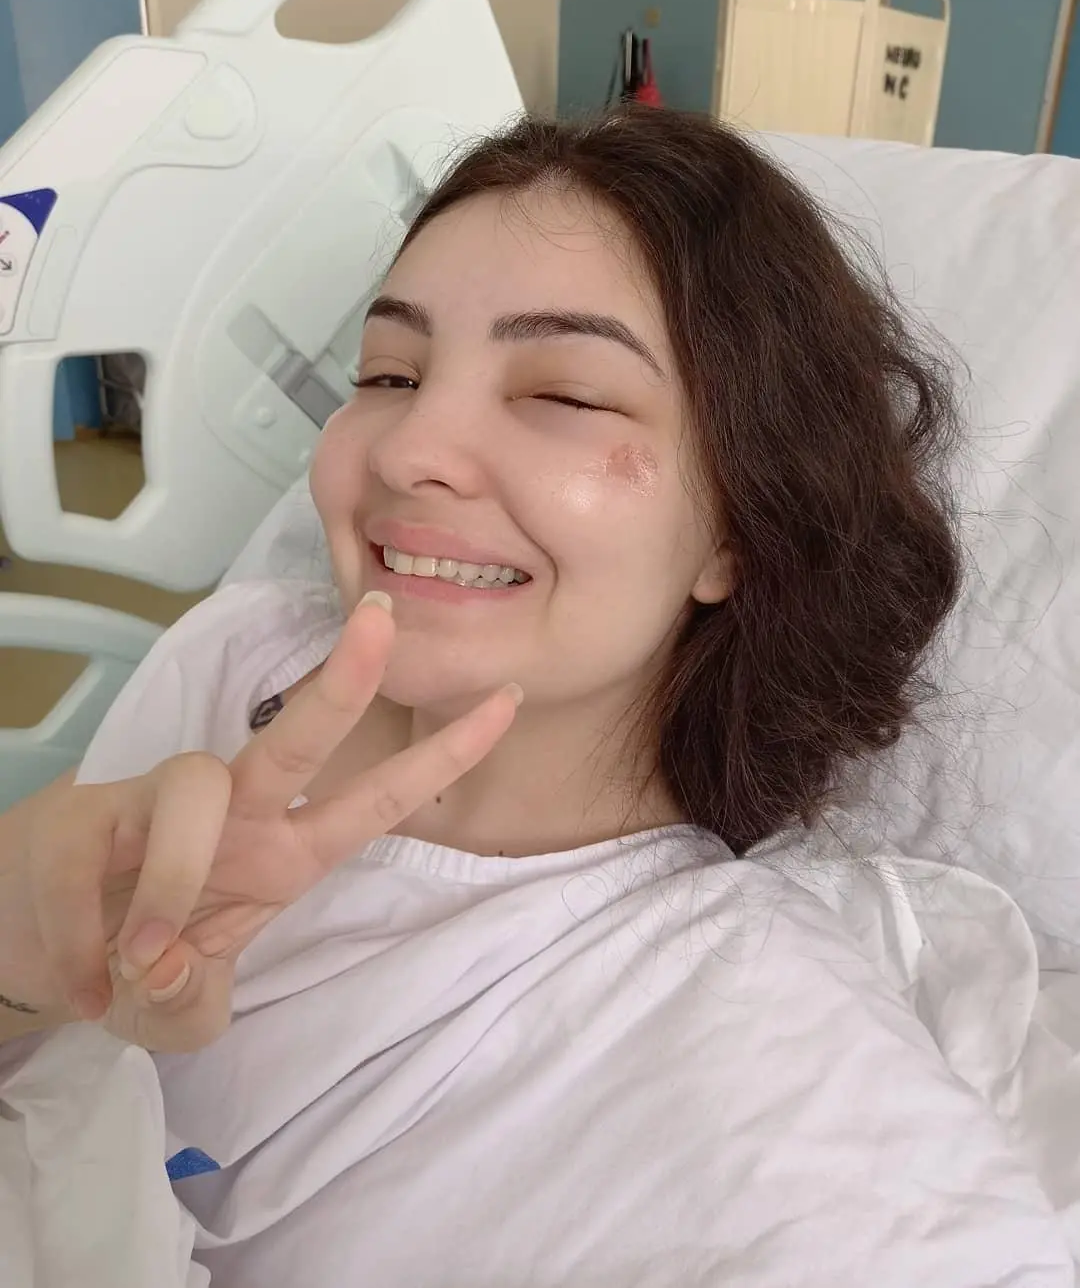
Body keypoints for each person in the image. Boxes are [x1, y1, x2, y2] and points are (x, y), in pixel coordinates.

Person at [0, 108, 1071, 1285]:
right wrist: (21, 968)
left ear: (738, 526)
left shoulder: (752, 1033)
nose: (408, 447)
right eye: (389, 373)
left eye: (565, 393)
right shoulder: (238, 655)